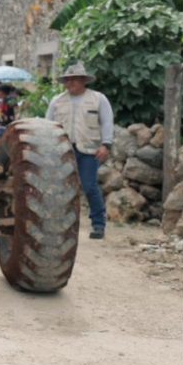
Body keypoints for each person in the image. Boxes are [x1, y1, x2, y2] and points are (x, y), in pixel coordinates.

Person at [45, 63, 114, 240]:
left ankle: (98, 224)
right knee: (61, 187)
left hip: (88, 150)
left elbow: (107, 122)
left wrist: (106, 144)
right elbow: (48, 125)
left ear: (83, 80)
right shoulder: (57, 101)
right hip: (62, 150)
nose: (70, 83)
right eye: (68, 80)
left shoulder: (98, 99)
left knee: (89, 185)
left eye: (74, 79)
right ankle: (61, 225)